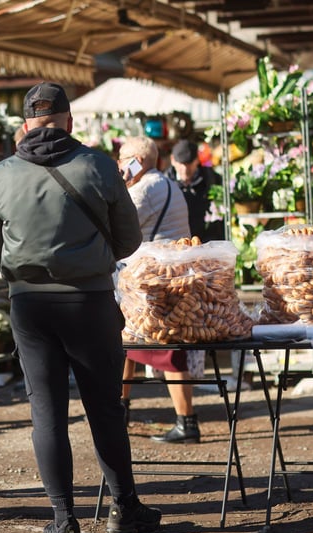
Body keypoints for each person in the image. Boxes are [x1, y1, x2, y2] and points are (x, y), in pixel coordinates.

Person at [0, 82, 160, 533]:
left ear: (25, 125)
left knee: (47, 414)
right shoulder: (98, 164)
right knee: (104, 407)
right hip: (88, 300)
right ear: (69, 121)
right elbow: (129, 240)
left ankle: (64, 522)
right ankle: (125, 508)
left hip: (29, 305)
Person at [118, 136, 201, 444]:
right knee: (129, 343)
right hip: (171, 277)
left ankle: (186, 422)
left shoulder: (145, 189)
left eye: (123, 157)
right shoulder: (167, 184)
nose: (119, 162)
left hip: (152, 283)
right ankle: (122, 410)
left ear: (137, 160)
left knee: (165, 350)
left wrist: (121, 187)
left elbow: (121, 224)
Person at [165, 139, 224, 242]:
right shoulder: (165, 184)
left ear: (197, 160)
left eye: (189, 163)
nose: (185, 169)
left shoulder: (212, 179)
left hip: (208, 242)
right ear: (172, 160)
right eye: (181, 163)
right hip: (177, 244)